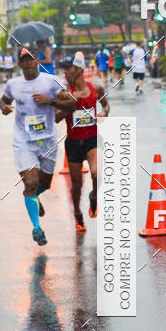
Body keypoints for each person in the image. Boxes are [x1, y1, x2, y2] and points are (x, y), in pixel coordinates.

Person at [0, 48, 76, 246]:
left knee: (45, 184)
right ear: (19, 64)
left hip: (48, 140)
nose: (29, 63)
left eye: (32, 59)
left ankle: (34, 198)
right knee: (31, 183)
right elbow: (4, 101)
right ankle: (37, 228)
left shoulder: (51, 81)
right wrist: (4, 108)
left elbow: (72, 104)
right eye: (25, 60)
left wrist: (50, 101)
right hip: (24, 141)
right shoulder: (13, 84)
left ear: (38, 60)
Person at [55, 54, 109, 231]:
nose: (65, 71)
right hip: (73, 143)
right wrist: (71, 104)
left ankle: (94, 195)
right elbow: (56, 118)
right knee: (76, 186)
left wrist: (104, 113)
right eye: (63, 68)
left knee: (96, 173)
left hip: (92, 140)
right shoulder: (64, 93)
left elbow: (106, 105)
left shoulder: (96, 88)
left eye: (68, 67)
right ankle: (77, 212)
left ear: (79, 69)